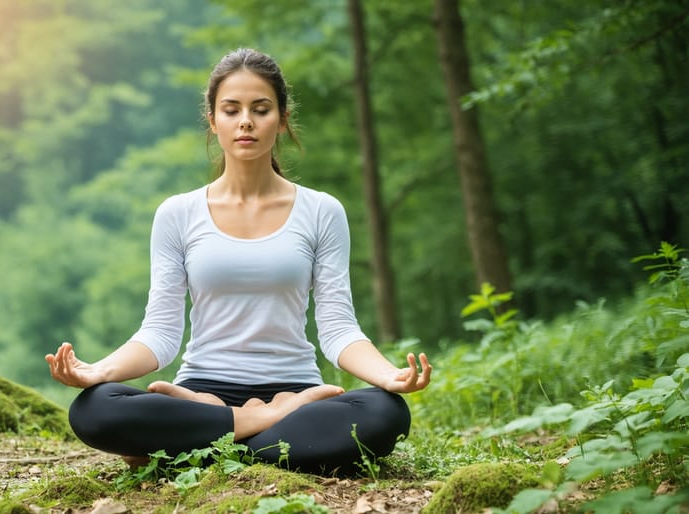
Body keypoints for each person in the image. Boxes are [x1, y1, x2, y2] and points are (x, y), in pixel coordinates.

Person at [46, 48, 432, 476]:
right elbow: (160, 333)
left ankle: (194, 443)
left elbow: (338, 328)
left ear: (282, 119)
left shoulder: (322, 211)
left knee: (384, 412)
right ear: (213, 120)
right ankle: (259, 427)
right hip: (203, 389)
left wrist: (388, 375)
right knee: (96, 408)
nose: (246, 121)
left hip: (295, 389)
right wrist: (99, 370)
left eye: (260, 109)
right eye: (232, 110)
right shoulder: (178, 213)